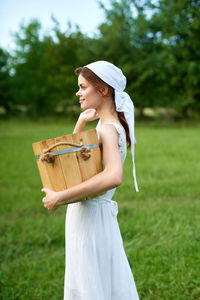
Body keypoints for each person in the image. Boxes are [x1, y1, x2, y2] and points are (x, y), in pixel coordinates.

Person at [42, 61, 139, 300]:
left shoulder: (107, 129)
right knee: (91, 277)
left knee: (90, 282)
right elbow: (74, 162)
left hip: (92, 216)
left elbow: (113, 175)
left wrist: (59, 198)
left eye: (83, 87)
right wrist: (82, 122)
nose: (78, 92)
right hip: (90, 215)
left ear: (103, 90)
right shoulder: (105, 125)